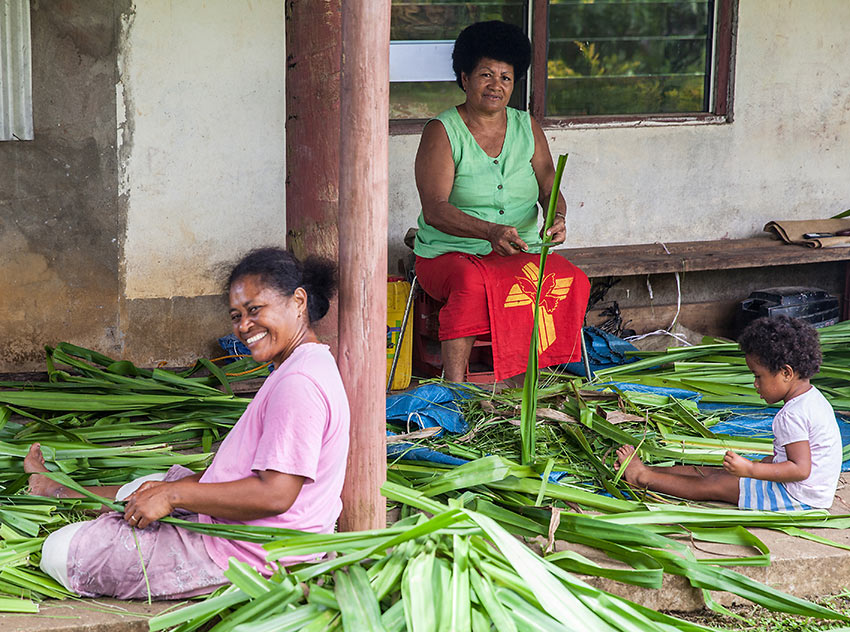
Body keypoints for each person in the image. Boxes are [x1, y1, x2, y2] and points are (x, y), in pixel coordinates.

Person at [24, 247, 350, 599]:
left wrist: (175, 494)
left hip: (249, 555)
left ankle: (96, 527)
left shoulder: (298, 383)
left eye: (255, 310)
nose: (244, 326)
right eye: (236, 315)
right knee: (146, 486)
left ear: (298, 301)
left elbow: (275, 494)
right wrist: (165, 492)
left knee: (58, 551)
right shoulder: (302, 364)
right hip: (252, 533)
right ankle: (54, 491)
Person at [413, 20, 590, 383]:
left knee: (568, 278)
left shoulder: (527, 126)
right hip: (451, 252)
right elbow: (435, 208)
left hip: (517, 249)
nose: (496, 85)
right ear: (465, 78)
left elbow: (547, 185)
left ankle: (530, 382)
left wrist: (557, 217)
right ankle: (457, 389)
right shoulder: (442, 131)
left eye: (506, 77)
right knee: (471, 284)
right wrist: (489, 231)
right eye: (486, 75)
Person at [616, 316, 841, 511]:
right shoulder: (813, 399)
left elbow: (800, 469)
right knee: (720, 472)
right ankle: (650, 469)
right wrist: (765, 464)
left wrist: (751, 469)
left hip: (796, 498)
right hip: (811, 491)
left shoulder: (791, 415)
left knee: (715, 484)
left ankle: (641, 477)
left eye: (758, 376)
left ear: (786, 372)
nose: (755, 384)